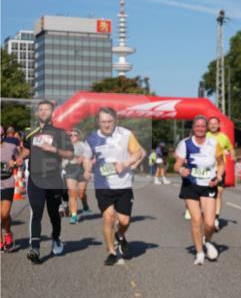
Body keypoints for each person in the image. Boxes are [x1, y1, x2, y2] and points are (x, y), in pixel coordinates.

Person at [83, 107, 146, 266]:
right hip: (103, 184)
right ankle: (111, 251)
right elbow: (86, 158)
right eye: (103, 122)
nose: (106, 125)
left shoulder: (126, 134)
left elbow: (138, 153)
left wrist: (124, 164)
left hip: (123, 184)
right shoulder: (91, 139)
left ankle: (120, 235)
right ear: (98, 122)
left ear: (115, 121)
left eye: (110, 121)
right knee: (108, 217)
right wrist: (87, 169)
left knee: (124, 221)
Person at [20, 100, 73, 263]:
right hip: (35, 179)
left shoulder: (60, 133)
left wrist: (54, 149)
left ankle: (56, 238)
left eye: (47, 109)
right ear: (37, 113)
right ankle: (35, 248)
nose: (43, 112)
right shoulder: (30, 133)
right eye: (41, 109)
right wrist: (17, 159)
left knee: (53, 214)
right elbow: (27, 150)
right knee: (36, 212)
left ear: (52, 113)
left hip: (53, 179)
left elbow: (70, 154)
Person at [174, 115, 223, 265]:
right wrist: (181, 170)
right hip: (191, 184)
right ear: (193, 128)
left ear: (206, 128)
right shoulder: (185, 143)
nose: (200, 129)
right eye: (197, 126)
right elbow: (177, 165)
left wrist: (219, 176)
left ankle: (206, 241)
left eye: (203, 126)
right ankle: (200, 253)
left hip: (208, 185)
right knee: (196, 220)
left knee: (210, 224)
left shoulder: (214, 144)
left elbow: (221, 164)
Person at [207, 116, 234, 231]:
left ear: (218, 125)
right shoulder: (205, 136)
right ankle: (207, 215)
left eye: (215, 123)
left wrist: (233, 156)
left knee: (218, 194)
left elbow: (231, 148)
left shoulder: (223, 137)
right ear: (208, 126)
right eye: (211, 123)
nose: (213, 125)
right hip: (207, 169)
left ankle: (216, 218)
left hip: (219, 169)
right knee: (206, 195)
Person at [1, 123, 23, 252]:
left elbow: (20, 160)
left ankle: (8, 232)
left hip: (7, 182)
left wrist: (14, 162)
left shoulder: (11, 147)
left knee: (4, 214)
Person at [64, 128, 93, 225]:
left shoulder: (83, 145)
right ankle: (74, 216)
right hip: (70, 170)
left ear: (79, 136)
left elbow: (89, 154)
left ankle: (85, 205)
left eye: (75, 135)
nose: (72, 136)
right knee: (72, 193)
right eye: (70, 135)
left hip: (82, 170)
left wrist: (83, 158)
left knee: (81, 193)